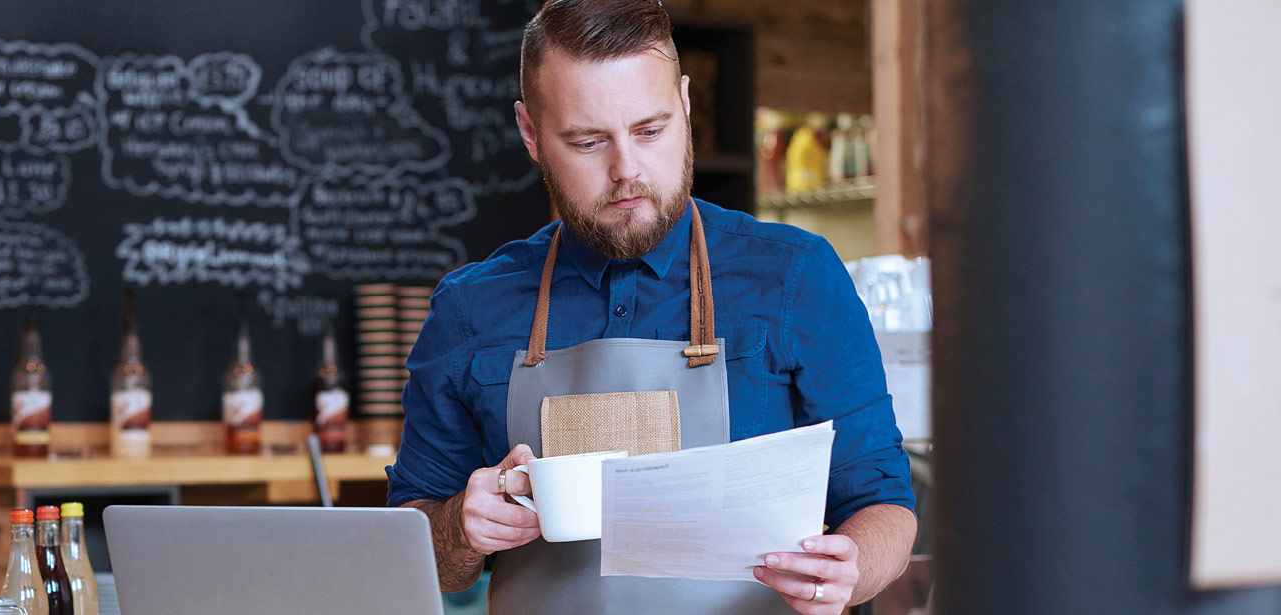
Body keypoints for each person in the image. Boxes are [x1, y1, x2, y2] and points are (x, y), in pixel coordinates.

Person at [384, 1, 917, 613]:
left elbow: (884, 507)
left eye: (650, 130)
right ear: (531, 133)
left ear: (685, 105)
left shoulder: (796, 276)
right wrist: (459, 526)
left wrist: (848, 567)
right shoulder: (468, 308)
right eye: (588, 141)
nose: (626, 170)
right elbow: (421, 551)